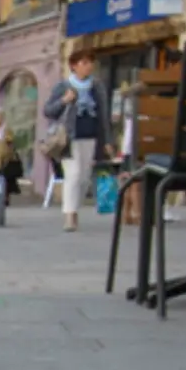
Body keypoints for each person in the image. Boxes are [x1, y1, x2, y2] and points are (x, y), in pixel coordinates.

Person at [45, 48, 110, 233]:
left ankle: (74, 209)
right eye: (84, 63)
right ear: (74, 66)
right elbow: (48, 111)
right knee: (73, 175)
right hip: (69, 138)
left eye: (90, 63)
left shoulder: (97, 87)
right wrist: (65, 100)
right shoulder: (63, 86)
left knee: (83, 178)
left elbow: (103, 115)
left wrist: (107, 140)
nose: (88, 67)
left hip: (91, 137)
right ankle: (69, 216)